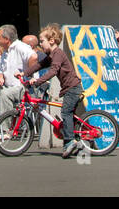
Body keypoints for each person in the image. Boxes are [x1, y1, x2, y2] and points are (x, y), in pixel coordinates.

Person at [22, 25, 86, 158]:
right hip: (68, 88)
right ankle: (71, 139)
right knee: (67, 113)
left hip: (73, 88)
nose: (40, 44)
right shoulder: (50, 55)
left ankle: (69, 142)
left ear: (51, 41)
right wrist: (24, 73)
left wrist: (37, 81)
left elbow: (53, 71)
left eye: (42, 41)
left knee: (65, 112)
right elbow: (40, 65)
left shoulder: (58, 53)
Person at [0, 25, 37, 119]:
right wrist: (0, 75)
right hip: (9, 87)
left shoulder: (20, 47)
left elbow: (33, 57)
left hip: (22, 88)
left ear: (7, 39)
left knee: (5, 95)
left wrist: (29, 75)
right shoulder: (6, 50)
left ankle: (6, 130)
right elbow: (2, 68)